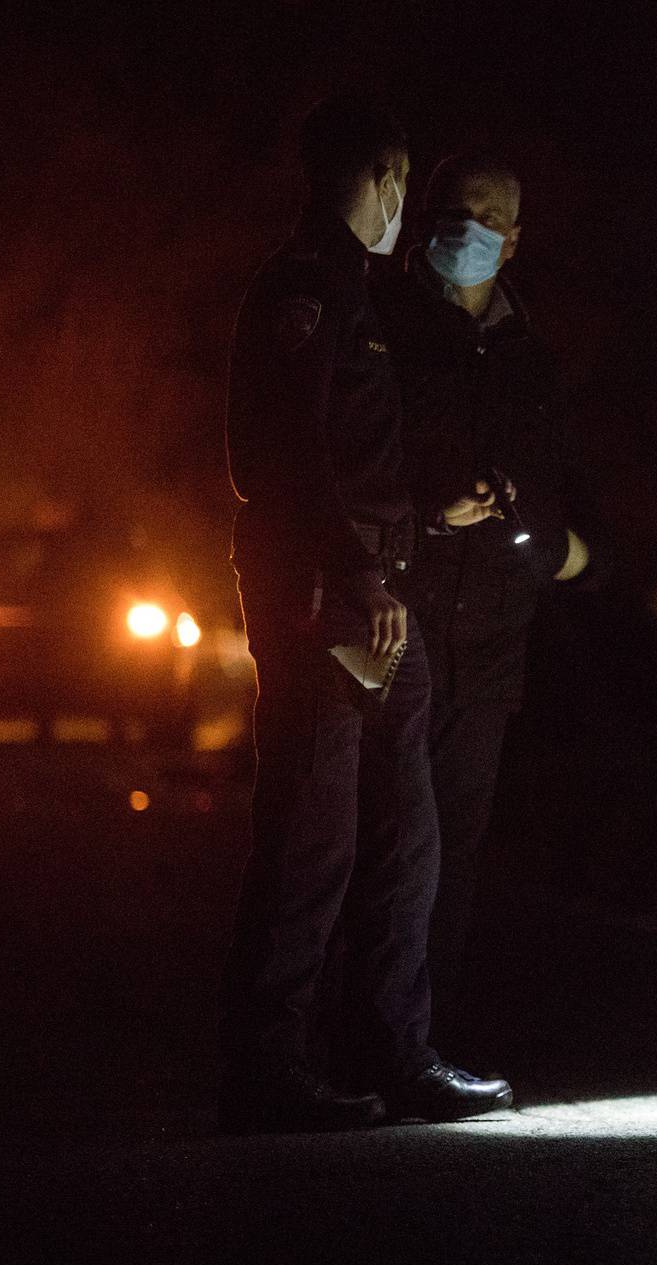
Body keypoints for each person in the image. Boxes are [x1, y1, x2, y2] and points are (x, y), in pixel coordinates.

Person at [219, 93, 514, 1133]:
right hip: (334, 605)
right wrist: (362, 580)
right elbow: (285, 462)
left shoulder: (346, 289)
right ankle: (271, 1065)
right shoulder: (309, 290)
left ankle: (394, 1054)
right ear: (387, 178)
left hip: (361, 598)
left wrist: (413, 524)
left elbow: (346, 455)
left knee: (399, 836)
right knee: (316, 836)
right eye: (404, 182)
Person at [371, 151, 590, 1050]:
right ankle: (362, 1037)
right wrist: (429, 508)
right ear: (426, 217)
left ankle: (424, 1040)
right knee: (385, 844)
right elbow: (352, 464)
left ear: (515, 240)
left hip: (491, 636)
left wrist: (526, 528)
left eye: (495, 215)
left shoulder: (529, 355)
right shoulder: (382, 324)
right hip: (399, 624)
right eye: (461, 209)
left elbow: (560, 494)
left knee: (455, 851)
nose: (476, 226)